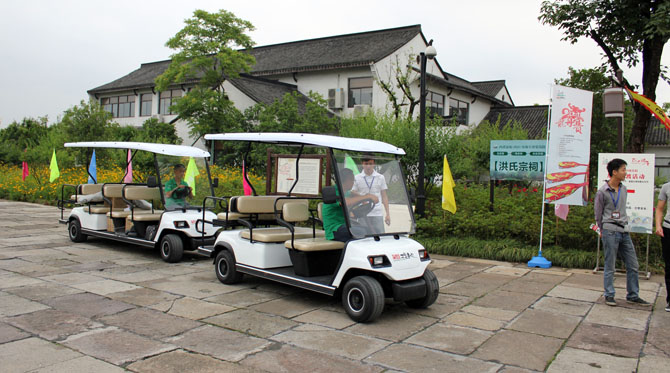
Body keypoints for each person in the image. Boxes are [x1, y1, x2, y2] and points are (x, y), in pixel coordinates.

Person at [594, 158, 650, 307]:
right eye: (623, 169)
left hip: (624, 230)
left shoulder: (624, 189)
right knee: (610, 264)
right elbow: (598, 214)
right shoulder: (602, 192)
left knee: (633, 264)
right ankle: (609, 294)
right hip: (610, 230)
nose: (626, 173)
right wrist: (602, 229)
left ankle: (633, 294)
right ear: (614, 172)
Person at [323, 168, 379, 242]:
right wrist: (366, 197)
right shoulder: (333, 192)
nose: (353, 182)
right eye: (352, 180)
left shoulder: (347, 192)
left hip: (345, 225)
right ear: (344, 180)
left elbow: (354, 195)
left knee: (376, 230)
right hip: (334, 229)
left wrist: (365, 198)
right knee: (360, 232)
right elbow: (346, 202)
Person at [352, 154, 390, 234]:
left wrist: (387, 214)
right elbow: (353, 192)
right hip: (363, 212)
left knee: (380, 235)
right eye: (366, 164)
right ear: (362, 164)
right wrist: (363, 198)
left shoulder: (380, 177)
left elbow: (384, 196)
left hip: (377, 212)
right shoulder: (357, 177)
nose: (368, 166)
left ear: (374, 164)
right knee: (364, 236)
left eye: (370, 163)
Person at [654, 181, 670, 312]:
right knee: (669, 266)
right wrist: (658, 225)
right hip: (668, 228)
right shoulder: (666, 187)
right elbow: (659, 209)